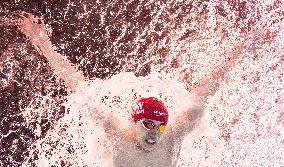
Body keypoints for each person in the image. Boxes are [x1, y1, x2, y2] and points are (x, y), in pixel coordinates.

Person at [3, 12, 245, 166]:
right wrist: (44, 44)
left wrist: (241, 50)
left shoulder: (171, 139)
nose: (155, 134)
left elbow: (204, 93)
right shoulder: (117, 135)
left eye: (161, 126)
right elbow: (77, 86)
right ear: (133, 122)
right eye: (149, 124)